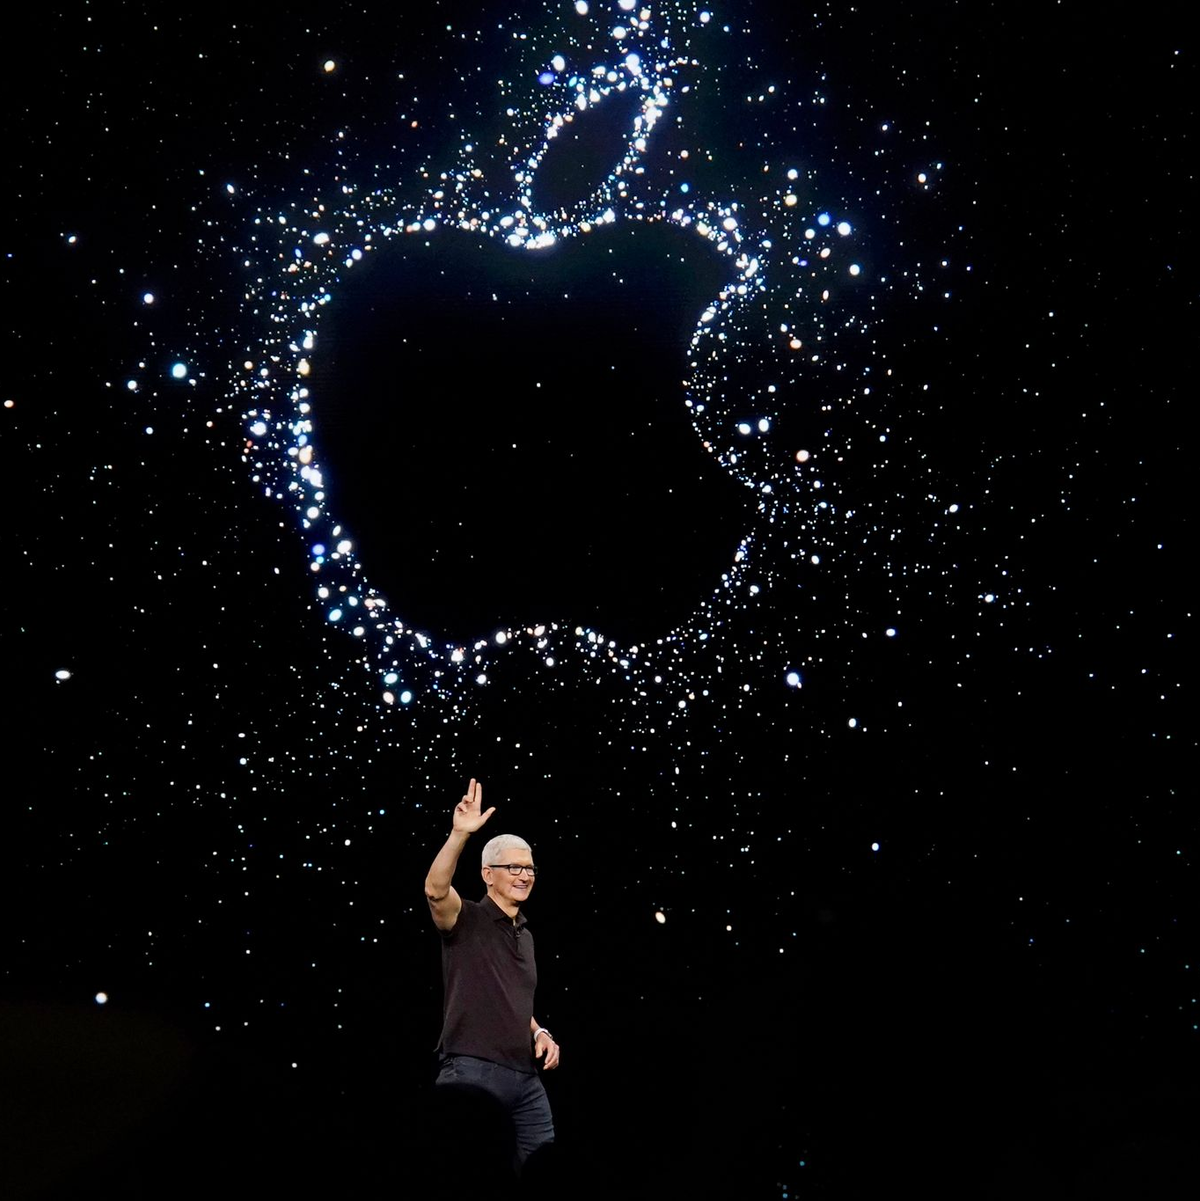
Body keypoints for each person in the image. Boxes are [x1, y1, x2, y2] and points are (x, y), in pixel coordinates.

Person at [424, 778, 559, 1171]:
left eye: (530, 867)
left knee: (542, 1172)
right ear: (488, 874)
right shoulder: (467, 918)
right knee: (465, 1172)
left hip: (525, 1078)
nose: (525, 874)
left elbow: (510, 997)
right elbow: (435, 890)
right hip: (473, 1068)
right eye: (514, 866)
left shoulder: (527, 936)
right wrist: (458, 834)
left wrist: (538, 1032)